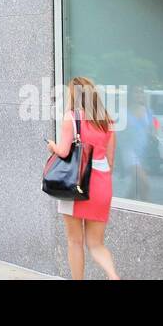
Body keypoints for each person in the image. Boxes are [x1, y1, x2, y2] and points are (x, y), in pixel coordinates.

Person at [48, 76, 119, 280]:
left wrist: (52, 145)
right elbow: (111, 160)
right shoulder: (107, 121)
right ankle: (113, 276)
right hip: (102, 185)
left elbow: (63, 151)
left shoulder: (71, 118)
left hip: (76, 187)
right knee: (96, 244)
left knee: (75, 241)